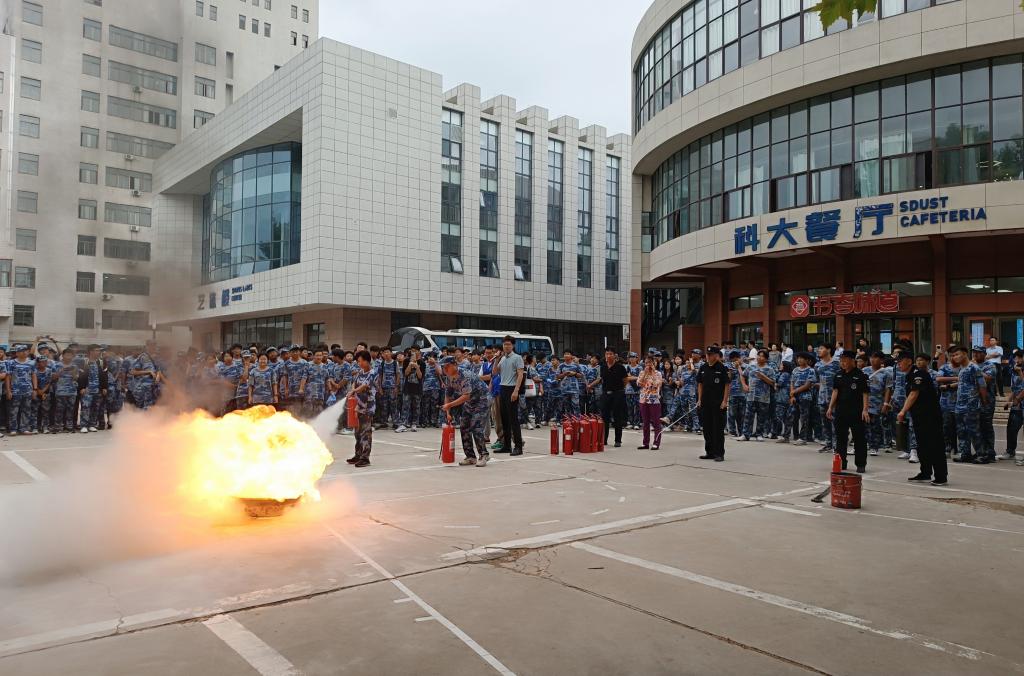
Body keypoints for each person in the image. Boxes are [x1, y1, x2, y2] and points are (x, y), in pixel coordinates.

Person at [897, 353, 947, 486]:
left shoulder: (919, 374)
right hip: (919, 416)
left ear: (909, 361)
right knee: (922, 445)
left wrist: (903, 411)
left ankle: (941, 476)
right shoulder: (909, 375)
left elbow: (914, 393)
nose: (898, 364)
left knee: (934, 445)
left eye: (901, 361)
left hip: (930, 416)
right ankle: (925, 473)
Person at [440, 356, 491, 467]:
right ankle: (470, 457)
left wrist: (450, 405)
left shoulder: (464, 375)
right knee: (464, 426)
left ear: (454, 365)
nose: (445, 369)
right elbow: (448, 395)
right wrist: (448, 413)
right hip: (470, 402)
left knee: (476, 426)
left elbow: (466, 396)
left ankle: (484, 455)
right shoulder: (449, 377)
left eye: (447, 366)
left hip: (482, 399)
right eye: (443, 367)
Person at [826, 350, 870, 473]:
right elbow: (835, 391)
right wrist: (830, 407)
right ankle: (842, 462)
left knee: (859, 438)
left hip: (856, 411)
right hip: (841, 410)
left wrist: (865, 410)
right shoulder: (838, 375)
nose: (843, 363)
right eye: (841, 360)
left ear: (852, 361)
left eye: (845, 360)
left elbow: (865, 393)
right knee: (840, 438)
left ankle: (860, 464)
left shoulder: (861, 375)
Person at [696, 346, 730, 461]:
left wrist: (725, 401)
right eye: (707, 354)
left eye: (710, 355)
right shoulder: (703, 367)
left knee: (718, 429)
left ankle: (719, 453)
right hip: (705, 403)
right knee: (707, 429)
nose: (708, 356)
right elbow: (700, 384)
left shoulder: (722, 368)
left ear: (716, 355)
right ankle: (709, 452)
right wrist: (699, 399)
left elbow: (727, 385)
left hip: (718, 403)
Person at [494, 336, 525, 456]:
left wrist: (516, 391)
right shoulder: (502, 359)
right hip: (503, 388)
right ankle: (507, 446)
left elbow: (520, 375)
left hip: (512, 388)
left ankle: (518, 446)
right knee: (504, 419)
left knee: (513, 419)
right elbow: (495, 372)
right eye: (504, 344)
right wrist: (497, 359)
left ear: (513, 346)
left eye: (508, 344)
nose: (506, 346)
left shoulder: (517, 358)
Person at [348, 350, 376, 468]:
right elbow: (355, 384)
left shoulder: (373, 373)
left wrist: (354, 391)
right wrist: (352, 390)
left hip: (368, 406)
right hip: (358, 406)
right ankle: (358, 454)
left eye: (360, 361)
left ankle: (365, 458)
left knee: (365, 433)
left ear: (366, 361)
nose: (359, 363)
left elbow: (364, 386)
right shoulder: (360, 372)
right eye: (358, 361)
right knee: (357, 433)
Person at [741, 349, 775, 442]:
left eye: (762, 356)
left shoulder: (770, 369)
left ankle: (759, 434)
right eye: (758, 355)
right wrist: (744, 385)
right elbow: (743, 375)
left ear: (766, 359)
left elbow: (773, 383)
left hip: (763, 397)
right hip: (751, 396)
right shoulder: (751, 366)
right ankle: (745, 434)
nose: (760, 357)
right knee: (748, 416)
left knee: (761, 417)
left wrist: (763, 377)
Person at [863, 351, 893, 457]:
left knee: (875, 425)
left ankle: (874, 447)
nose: (872, 360)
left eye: (876, 358)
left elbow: (888, 389)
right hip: (864, 402)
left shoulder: (886, 373)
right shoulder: (864, 371)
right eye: (871, 357)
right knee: (863, 425)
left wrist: (886, 403)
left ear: (882, 360)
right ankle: (862, 445)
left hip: (877, 402)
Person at [597, 347, 627, 447]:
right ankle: (604, 439)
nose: (608, 356)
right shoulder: (603, 367)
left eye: (610, 354)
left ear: (614, 355)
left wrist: (620, 390)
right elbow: (601, 379)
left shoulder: (620, 367)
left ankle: (618, 440)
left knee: (617, 417)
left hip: (617, 393)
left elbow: (625, 380)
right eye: (607, 354)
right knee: (604, 417)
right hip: (606, 394)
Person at [973, 345, 998, 463]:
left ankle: (989, 453)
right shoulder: (972, 366)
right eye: (974, 352)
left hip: (986, 401)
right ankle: (981, 451)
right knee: (977, 427)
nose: (975, 354)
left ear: (984, 354)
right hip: (973, 401)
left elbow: (987, 379)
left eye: (978, 352)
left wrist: (975, 369)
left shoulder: (990, 365)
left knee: (986, 427)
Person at [790, 352, 817, 446]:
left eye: (802, 358)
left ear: (807, 360)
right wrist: (792, 395)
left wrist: (794, 391)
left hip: (805, 397)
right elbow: (792, 382)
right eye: (798, 358)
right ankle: (794, 436)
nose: (799, 360)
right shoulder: (795, 370)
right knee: (793, 416)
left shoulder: (811, 370)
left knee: (804, 418)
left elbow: (807, 385)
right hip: (795, 396)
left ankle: (803, 438)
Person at [636, 356, 664, 450]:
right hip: (643, 399)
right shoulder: (642, 372)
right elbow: (638, 383)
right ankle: (645, 443)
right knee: (645, 422)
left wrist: (652, 373)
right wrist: (645, 373)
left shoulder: (658, 373)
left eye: (650, 362)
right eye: (646, 362)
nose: (648, 364)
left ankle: (656, 443)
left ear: (654, 363)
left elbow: (657, 384)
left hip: (654, 399)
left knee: (656, 422)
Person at [1003, 350, 1024, 465]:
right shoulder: (1014, 371)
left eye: (1019, 357)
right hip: (1017, 405)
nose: (1017, 360)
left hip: (1020, 402)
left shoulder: (1019, 371)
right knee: (1011, 428)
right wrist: (1008, 400)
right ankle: (1010, 451)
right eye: (1016, 358)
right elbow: (1014, 388)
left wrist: (1018, 399)